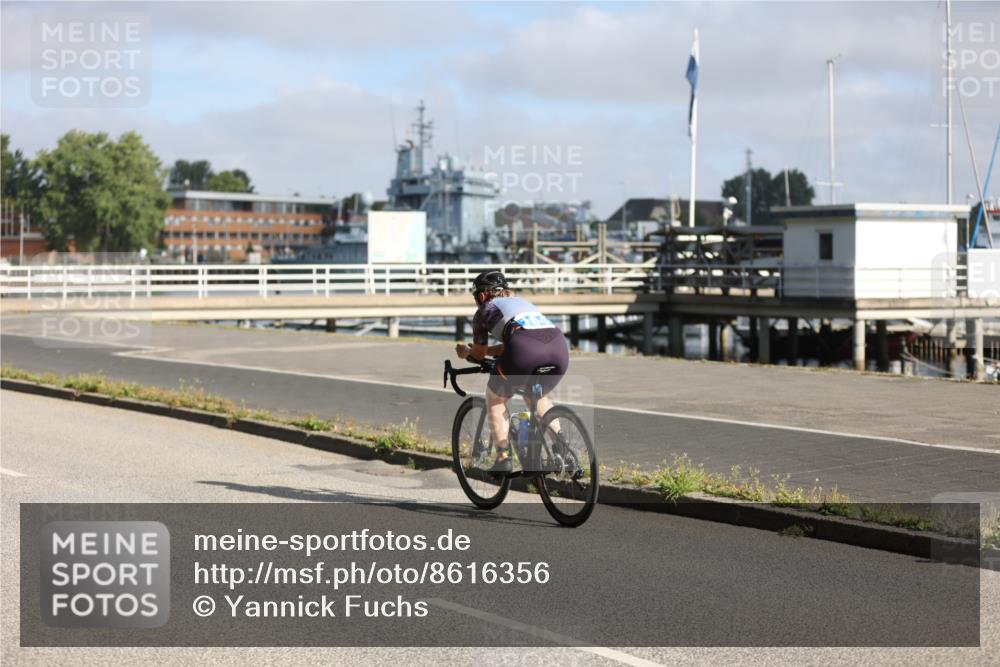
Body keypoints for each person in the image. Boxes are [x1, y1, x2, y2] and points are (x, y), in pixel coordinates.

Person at [455, 270, 569, 473]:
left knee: (495, 398)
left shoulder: (485, 310)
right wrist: (489, 351)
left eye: (476, 296)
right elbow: (517, 342)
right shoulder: (522, 303)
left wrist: (466, 352)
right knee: (538, 396)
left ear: (483, 295)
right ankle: (563, 450)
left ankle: (503, 458)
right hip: (559, 348)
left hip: (524, 350)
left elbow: (479, 354)